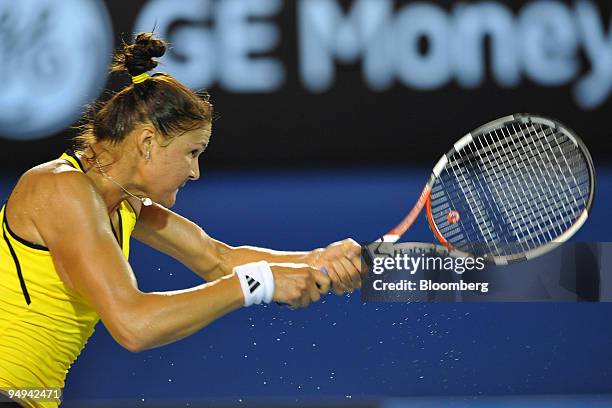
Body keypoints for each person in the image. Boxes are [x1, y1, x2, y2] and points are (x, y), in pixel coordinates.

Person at [0, 33, 362, 408]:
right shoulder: (60, 189)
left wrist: (321, 259)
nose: (195, 172)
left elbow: (217, 259)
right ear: (146, 143)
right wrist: (259, 284)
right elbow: (133, 325)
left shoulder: (121, 201)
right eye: (192, 153)